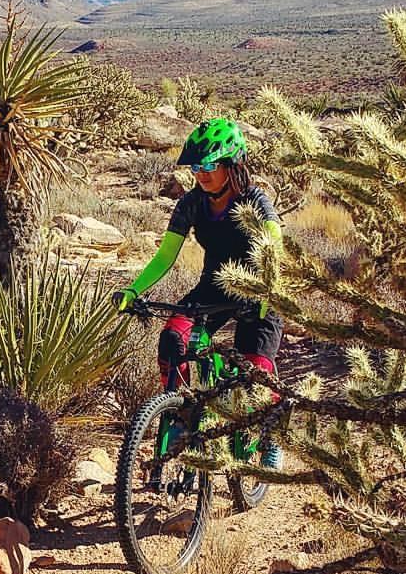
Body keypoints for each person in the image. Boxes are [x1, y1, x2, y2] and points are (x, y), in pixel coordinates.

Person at [113, 117, 285, 465]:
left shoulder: (255, 200)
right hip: (214, 288)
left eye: (209, 165)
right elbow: (164, 256)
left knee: (256, 375)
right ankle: (180, 415)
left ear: (232, 164)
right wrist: (134, 290)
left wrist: (269, 294)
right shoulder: (191, 203)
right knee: (174, 339)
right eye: (195, 166)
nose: (201, 173)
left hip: (260, 291)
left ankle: (271, 434)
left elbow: (275, 245)